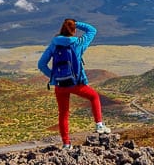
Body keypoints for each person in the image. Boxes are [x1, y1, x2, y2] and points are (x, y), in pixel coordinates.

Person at [38, 18, 111, 149]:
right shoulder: (78, 43)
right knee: (94, 96)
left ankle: (66, 144)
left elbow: (41, 64)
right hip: (76, 83)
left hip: (60, 85)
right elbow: (92, 30)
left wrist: (54, 77)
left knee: (63, 113)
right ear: (74, 30)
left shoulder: (54, 44)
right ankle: (99, 125)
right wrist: (77, 23)